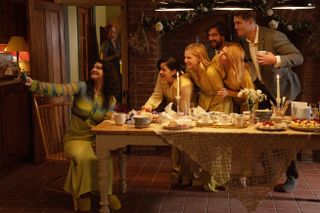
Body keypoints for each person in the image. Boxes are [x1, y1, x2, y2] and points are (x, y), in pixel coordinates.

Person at [25, 60, 122, 211]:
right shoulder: (82, 87)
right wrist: (35, 84)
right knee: (85, 159)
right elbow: (59, 89)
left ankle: (106, 194)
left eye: (98, 67)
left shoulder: (110, 100)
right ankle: (83, 195)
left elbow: (107, 122)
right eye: (93, 66)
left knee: (105, 158)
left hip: (95, 140)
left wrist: (109, 122)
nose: (93, 69)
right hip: (75, 139)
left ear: (107, 74)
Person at [233, 10, 304, 192]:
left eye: (238, 23)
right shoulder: (243, 41)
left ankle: (292, 176)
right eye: (235, 23)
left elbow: (298, 57)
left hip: (285, 92)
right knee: (261, 132)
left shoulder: (274, 36)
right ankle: (269, 172)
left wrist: (276, 59)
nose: (235, 27)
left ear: (251, 22)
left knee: (287, 136)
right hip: (262, 92)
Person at [142, 57, 194, 187]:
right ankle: (176, 175)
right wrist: (148, 106)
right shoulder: (162, 79)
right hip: (174, 115)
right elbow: (156, 95)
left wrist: (165, 117)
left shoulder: (185, 84)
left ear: (173, 71)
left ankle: (187, 176)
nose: (160, 72)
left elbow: (184, 110)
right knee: (175, 145)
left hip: (189, 115)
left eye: (164, 69)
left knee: (185, 146)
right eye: (160, 69)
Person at [184, 43, 232, 113]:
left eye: (189, 58)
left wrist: (209, 108)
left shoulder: (210, 72)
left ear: (199, 58)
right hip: (205, 104)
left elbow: (221, 93)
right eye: (185, 57)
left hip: (219, 104)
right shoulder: (191, 70)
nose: (185, 61)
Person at [216, 42, 255, 113]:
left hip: (246, 105)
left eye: (224, 54)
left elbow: (250, 94)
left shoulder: (243, 72)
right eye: (221, 51)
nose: (220, 54)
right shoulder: (219, 64)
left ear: (232, 58)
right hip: (232, 103)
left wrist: (230, 93)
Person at [100, 25, 122, 104]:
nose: (114, 34)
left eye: (114, 32)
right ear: (108, 33)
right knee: (111, 87)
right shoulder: (106, 44)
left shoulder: (117, 43)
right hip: (109, 69)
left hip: (117, 67)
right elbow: (103, 58)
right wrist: (114, 56)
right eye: (112, 32)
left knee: (118, 86)